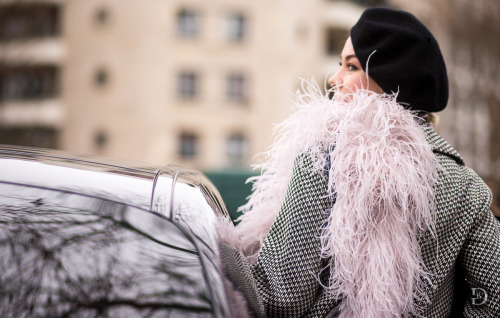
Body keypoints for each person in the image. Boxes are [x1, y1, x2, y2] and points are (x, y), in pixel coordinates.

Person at [217, 7, 500, 318]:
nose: (334, 78)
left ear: (392, 81)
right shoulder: (468, 187)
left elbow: (282, 298)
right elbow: (492, 297)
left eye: (351, 67)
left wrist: (223, 254)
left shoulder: (325, 158)